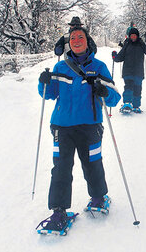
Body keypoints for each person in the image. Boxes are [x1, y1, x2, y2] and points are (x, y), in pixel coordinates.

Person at [37, 26, 121, 232]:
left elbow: (114, 98)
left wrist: (103, 91)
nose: (76, 40)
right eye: (72, 37)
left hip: (89, 126)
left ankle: (99, 197)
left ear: (87, 41)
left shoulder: (99, 67)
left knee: (92, 163)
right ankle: (59, 211)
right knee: (61, 168)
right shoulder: (60, 68)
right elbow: (48, 94)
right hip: (62, 126)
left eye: (80, 37)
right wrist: (43, 83)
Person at [111, 27, 146, 114]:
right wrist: (114, 57)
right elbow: (120, 57)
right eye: (131, 35)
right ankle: (127, 103)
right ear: (129, 36)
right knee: (128, 86)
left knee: (137, 88)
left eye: (135, 35)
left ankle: (136, 106)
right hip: (128, 70)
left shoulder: (141, 44)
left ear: (137, 36)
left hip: (138, 71)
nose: (133, 37)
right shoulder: (127, 44)